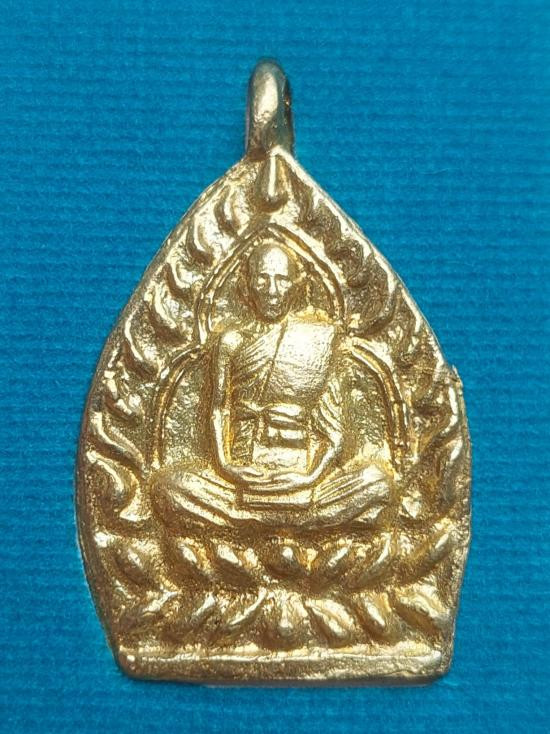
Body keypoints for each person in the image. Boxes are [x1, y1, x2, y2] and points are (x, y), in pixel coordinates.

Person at [152, 239, 391, 530]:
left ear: (297, 285)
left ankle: (251, 524)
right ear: (247, 286)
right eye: (263, 279)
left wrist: (310, 477)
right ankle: (289, 523)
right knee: (168, 487)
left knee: (378, 483)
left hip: (303, 478)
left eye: (282, 279)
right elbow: (218, 409)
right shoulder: (230, 342)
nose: (273, 290)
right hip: (241, 479)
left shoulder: (317, 340)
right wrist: (227, 467)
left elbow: (335, 434)